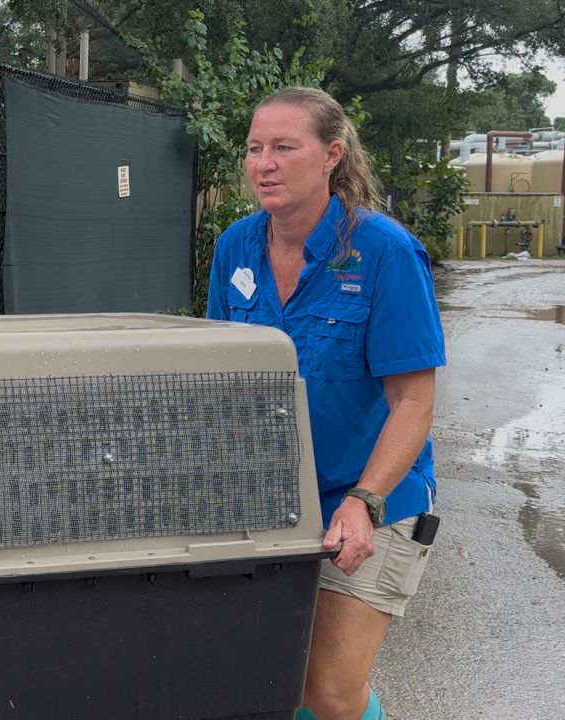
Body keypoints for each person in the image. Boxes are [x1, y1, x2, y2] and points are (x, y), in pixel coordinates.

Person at [206, 87, 445, 720]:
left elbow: (414, 403)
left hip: (370, 500)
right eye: (255, 149)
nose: (264, 163)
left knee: (330, 691)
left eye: (285, 147)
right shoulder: (236, 247)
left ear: (332, 155)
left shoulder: (384, 253)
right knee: (261, 675)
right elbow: (219, 377)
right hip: (271, 498)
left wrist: (363, 502)